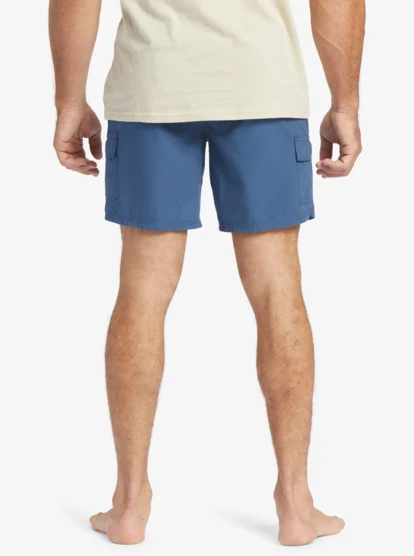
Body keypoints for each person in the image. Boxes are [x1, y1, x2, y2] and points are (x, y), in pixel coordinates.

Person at [49, 0, 365, 546]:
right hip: (262, 86)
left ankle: (129, 505)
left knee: (142, 290)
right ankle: (296, 504)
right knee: (278, 289)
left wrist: (68, 100)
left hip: (152, 87)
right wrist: (346, 102)